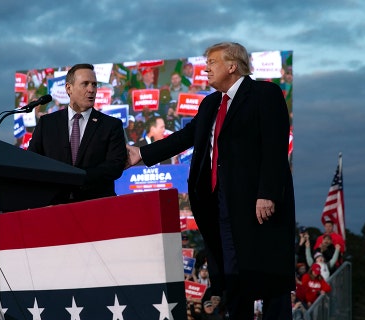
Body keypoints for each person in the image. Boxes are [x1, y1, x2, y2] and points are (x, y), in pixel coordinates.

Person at [126, 42, 295, 319]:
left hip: (257, 203)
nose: (206, 68)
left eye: (212, 62)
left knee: (270, 278)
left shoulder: (265, 94)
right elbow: (186, 137)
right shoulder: (210, 104)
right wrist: (142, 154)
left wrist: (267, 193)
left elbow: (275, 147)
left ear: (232, 66)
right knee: (232, 278)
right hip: (220, 204)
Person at [28, 63, 126, 203]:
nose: (91, 89)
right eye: (85, 84)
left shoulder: (111, 125)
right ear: (69, 88)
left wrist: (78, 177)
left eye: (94, 84)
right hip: (54, 207)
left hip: (97, 206)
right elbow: (33, 161)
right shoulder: (47, 124)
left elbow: (115, 166)